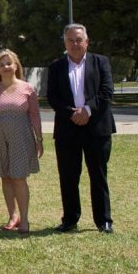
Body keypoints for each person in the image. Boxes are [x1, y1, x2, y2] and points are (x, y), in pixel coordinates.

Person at [46, 23, 116, 234]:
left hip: (97, 129)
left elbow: (107, 92)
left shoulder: (101, 62)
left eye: (79, 40)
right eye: (70, 40)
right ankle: (70, 220)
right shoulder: (56, 66)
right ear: (65, 43)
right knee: (68, 177)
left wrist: (87, 110)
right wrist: (73, 114)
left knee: (98, 176)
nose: (75, 44)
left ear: (87, 41)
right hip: (68, 130)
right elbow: (52, 97)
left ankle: (104, 221)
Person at [0, 50, 43, 233]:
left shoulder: (27, 88)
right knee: (5, 177)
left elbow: (34, 116)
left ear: (16, 66)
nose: (5, 67)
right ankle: (13, 216)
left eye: (9, 63)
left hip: (22, 136)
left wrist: (39, 139)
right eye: (2, 64)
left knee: (19, 178)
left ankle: (25, 219)